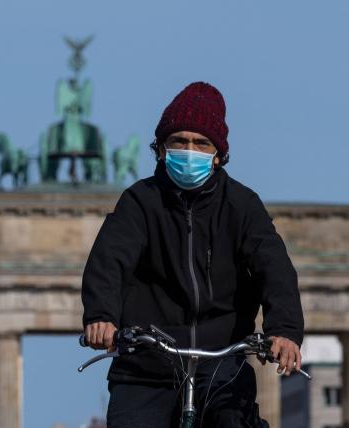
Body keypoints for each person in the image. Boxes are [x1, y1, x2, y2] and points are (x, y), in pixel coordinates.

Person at [81, 82, 304, 427]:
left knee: (236, 420)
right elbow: (109, 262)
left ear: (218, 154)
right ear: (160, 149)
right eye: (178, 141)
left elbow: (273, 269)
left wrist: (285, 330)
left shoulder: (242, 206)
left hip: (221, 361)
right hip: (147, 362)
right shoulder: (140, 202)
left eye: (201, 143)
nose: (189, 150)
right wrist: (101, 316)